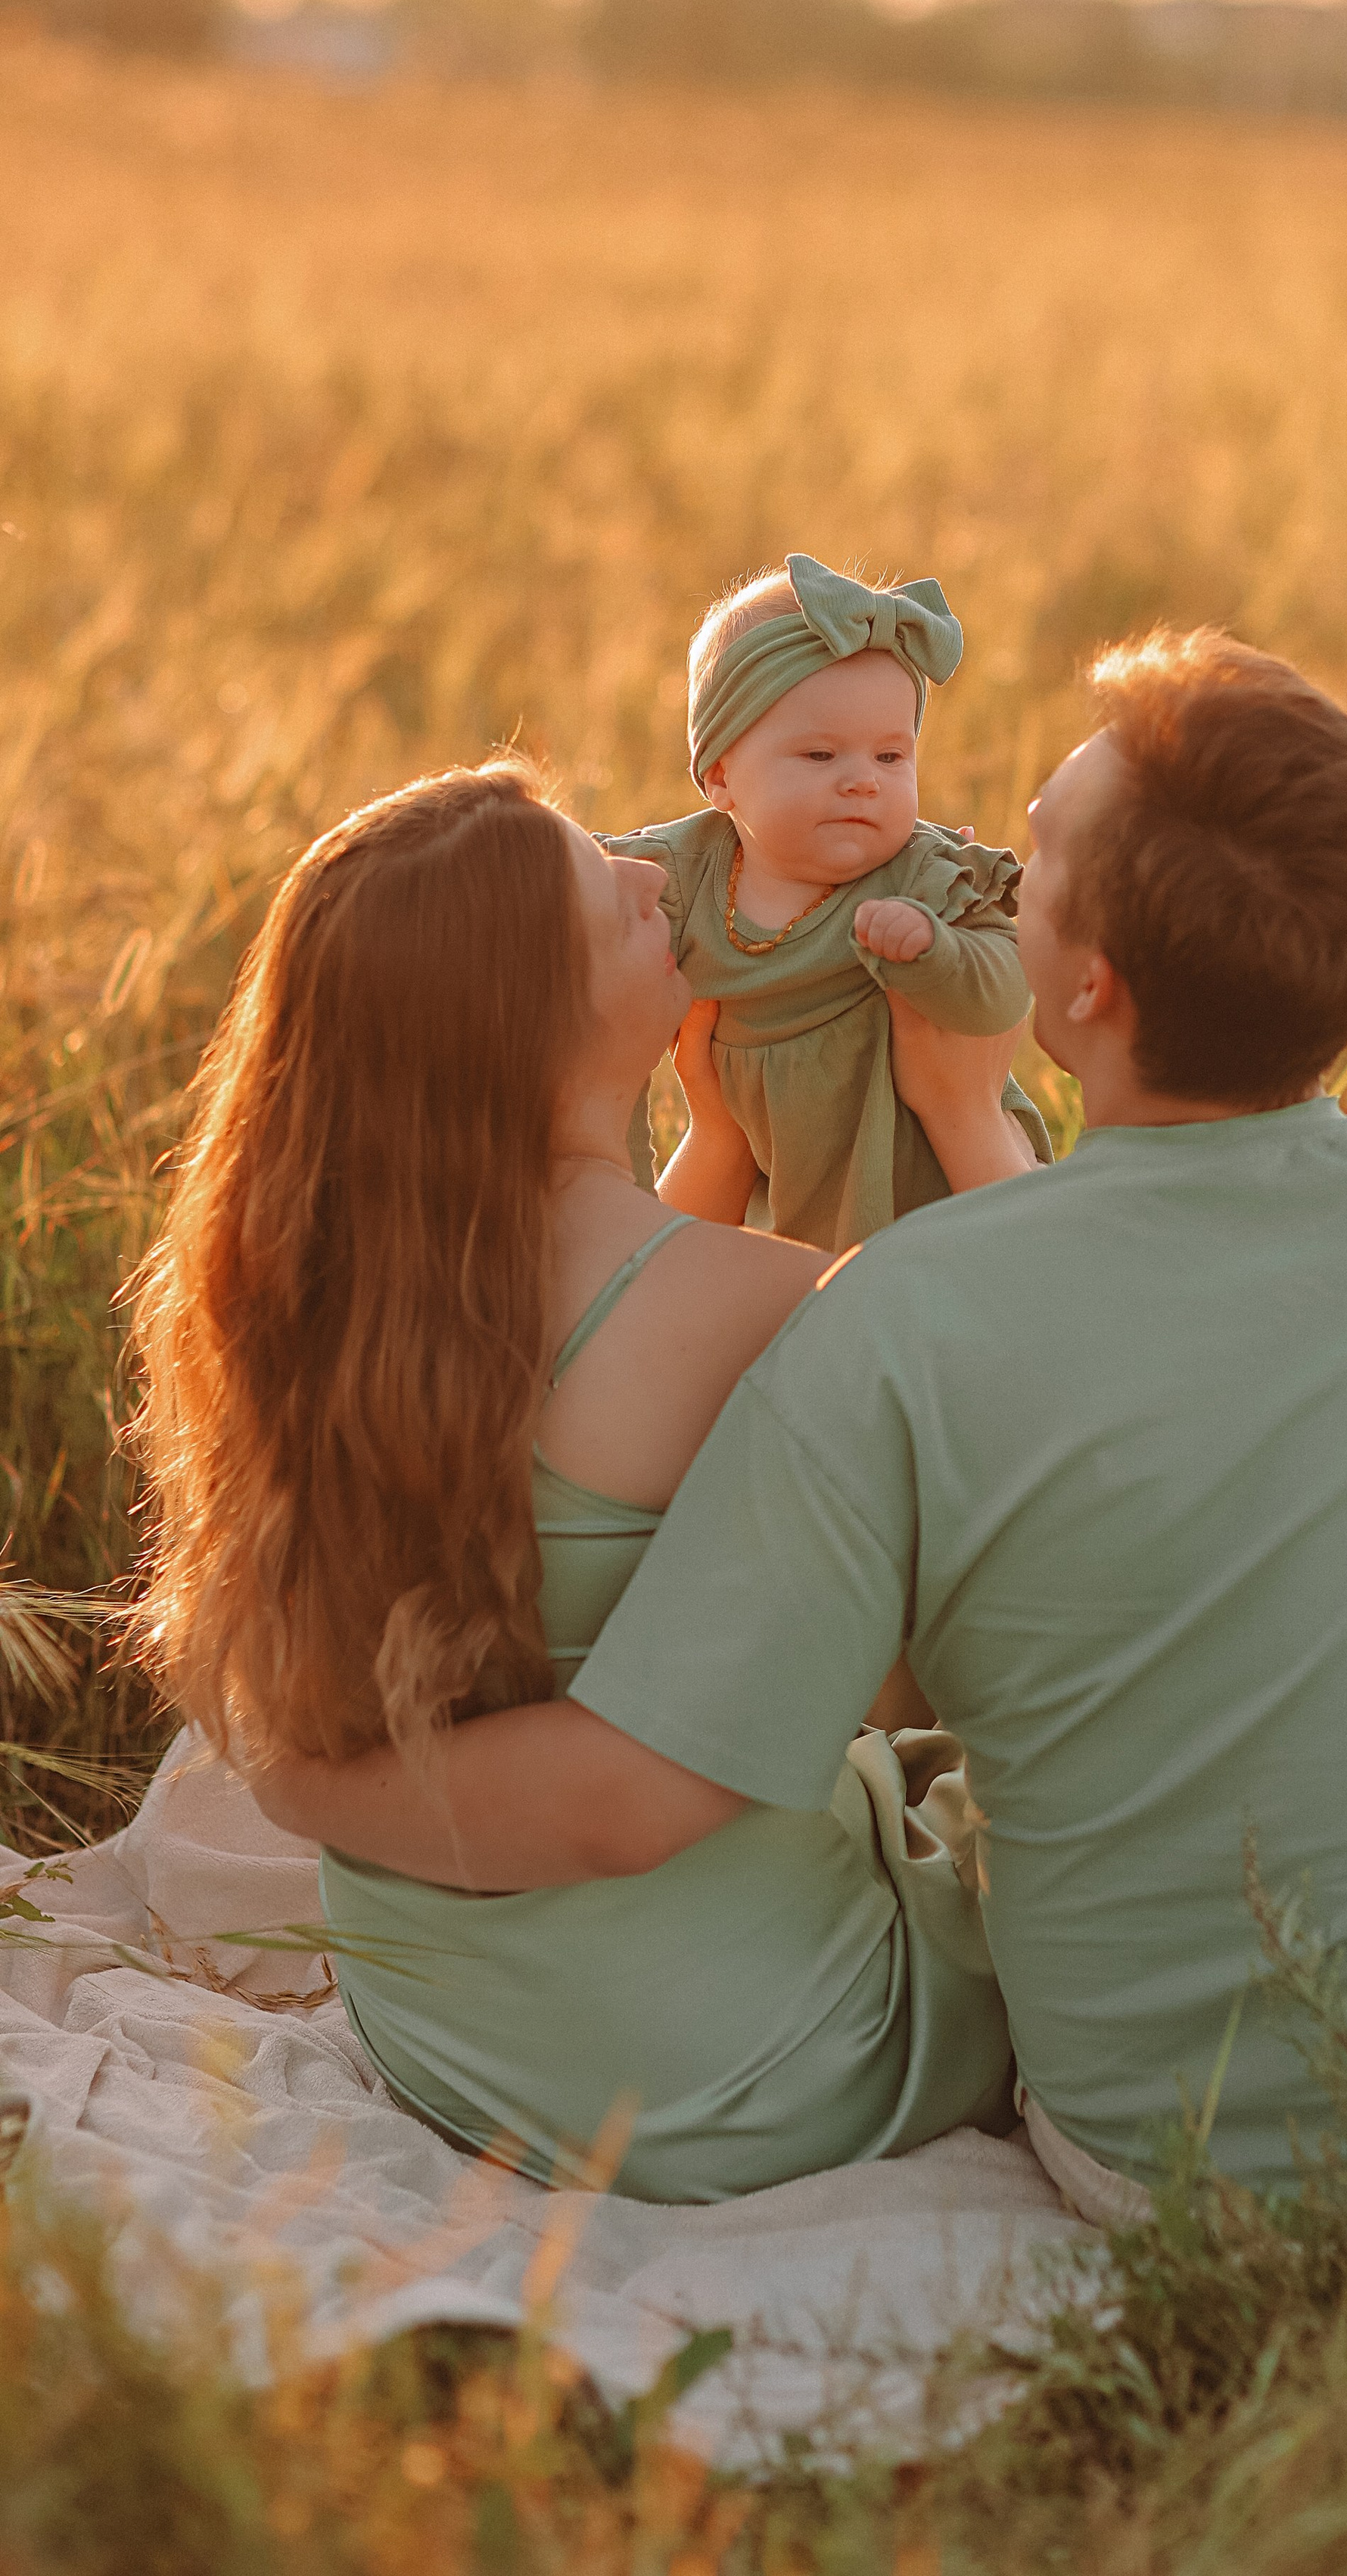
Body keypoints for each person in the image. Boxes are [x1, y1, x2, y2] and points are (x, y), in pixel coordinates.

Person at [257, 634, 1347, 2243]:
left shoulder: (891, 1315)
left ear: (1080, 986)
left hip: (1125, 2151)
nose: (963, 864)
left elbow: (858, 1692)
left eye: (1020, 863)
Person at [134, 759, 1025, 2202]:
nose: (649, 874)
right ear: (527, 1021)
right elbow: (937, 1668)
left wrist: (722, 1141)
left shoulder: (315, 1295)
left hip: (450, 2034)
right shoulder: (755, 1308)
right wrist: (969, 1116)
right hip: (734, 2066)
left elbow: (586, 1381)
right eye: (595, 893)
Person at [605, 552, 1051, 1249]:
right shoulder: (684, 875)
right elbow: (584, 926)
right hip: (790, 1210)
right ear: (719, 776)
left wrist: (938, 954)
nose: (862, 782)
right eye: (821, 756)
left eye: (890, 757)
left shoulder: (923, 875)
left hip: (949, 1199)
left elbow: (1003, 994)